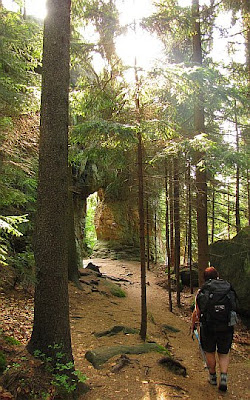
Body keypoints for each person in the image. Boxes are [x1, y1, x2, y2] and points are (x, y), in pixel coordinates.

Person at [191, 267, 237, 392]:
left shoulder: (202, 291)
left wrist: (193, 325)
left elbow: (197, 312)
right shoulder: (227, 288)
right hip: (226, 326)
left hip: (208, 326)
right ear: (217, 275)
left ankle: (212, 377)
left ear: (204, 278)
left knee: (209, 351)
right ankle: (223, 377)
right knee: (224, 352)